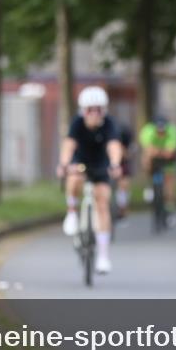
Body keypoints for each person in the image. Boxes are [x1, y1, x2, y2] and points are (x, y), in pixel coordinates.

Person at [57, 86, 124, 274]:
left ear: (104, 110)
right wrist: (64, 164)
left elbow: (114, 146)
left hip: (101, 165)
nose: (94, 114)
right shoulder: (77, 123)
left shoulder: (109, 124)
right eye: (90, 110)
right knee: (74, 178)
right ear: (83, 111)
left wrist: (115, 164)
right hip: (81, 162)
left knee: (102, 203)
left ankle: (103, 255)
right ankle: (71, 212)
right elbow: (69, 145)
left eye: (98, 109)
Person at [139, 115, 176, 226]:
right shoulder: (147, 131)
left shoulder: (173, 132)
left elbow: (170, 152)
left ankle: (170, 210)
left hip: (168, 160)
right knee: (146, 159)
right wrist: (157, 152)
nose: (160, 133)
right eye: (158, 131)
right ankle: (148, 185)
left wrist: (158, 151)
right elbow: (148, 150)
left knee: (169, 183)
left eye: (163, 131)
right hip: (154, 159)